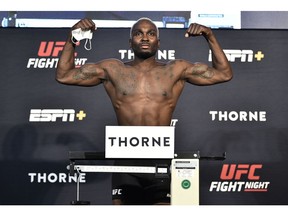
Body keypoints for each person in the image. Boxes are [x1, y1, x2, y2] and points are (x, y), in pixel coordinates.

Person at [56, 17, 233, 205]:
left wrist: (210, 36)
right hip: (125, 163)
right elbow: (64, 75)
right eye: (138, 33)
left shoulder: (175, 70)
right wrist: (73, 38)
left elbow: (224, 73)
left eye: (151, 33)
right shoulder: (113, 69)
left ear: (158, 42)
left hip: (160, 161)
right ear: (130, 42)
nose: (145, 38)